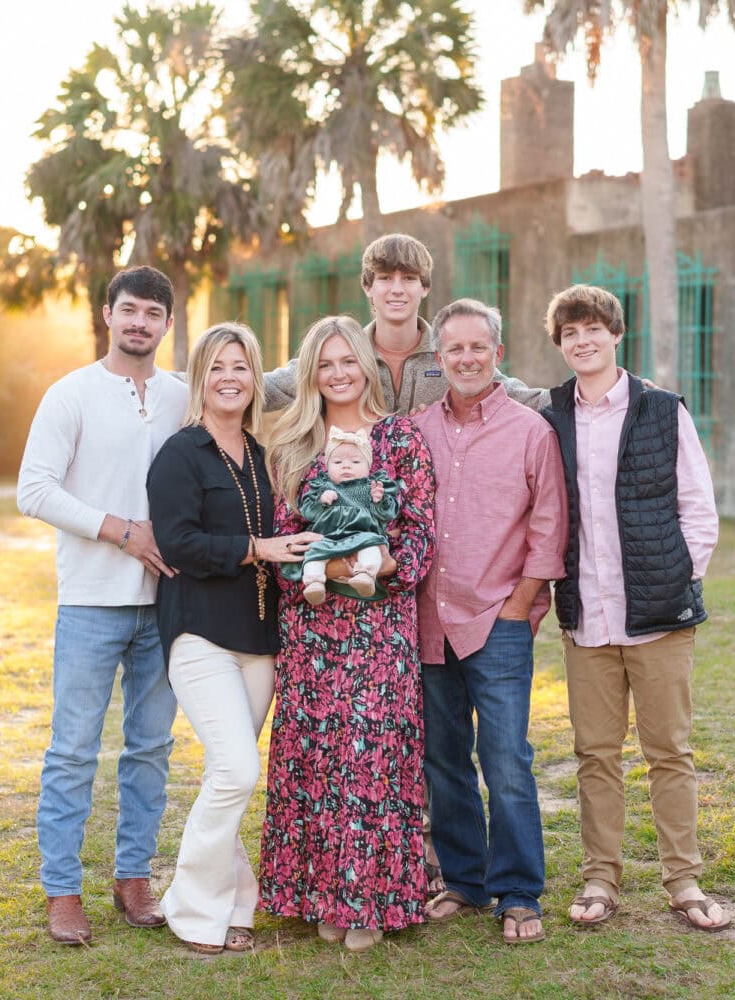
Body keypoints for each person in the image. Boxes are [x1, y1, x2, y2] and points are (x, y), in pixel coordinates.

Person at [538, 284, 727, 932]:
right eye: (570, 333)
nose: (582, 341)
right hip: (586, 618)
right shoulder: (550, 414)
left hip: (658, 617)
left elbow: (698, 510)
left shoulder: (662, 409)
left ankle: (684, 880)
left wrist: (677, 582)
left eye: (593, 328)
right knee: (595, 754)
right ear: (560, 344)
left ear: (615, 333)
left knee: (669, 752)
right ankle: (600, 879)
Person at [17, 266, 187, 944]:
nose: (140, 322)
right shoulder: (71, 395)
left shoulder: (182, 395)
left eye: (153, 313)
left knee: (150, 747)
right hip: (90, 600)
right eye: (129, 310)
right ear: (108, 315)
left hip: (167, 603)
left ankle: (133, 876)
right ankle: (63, 891)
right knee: (73, 750)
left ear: (168, 325)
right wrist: (121, 530)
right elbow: (34, 490)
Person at [258, 316, 437, 953]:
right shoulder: (292, 447)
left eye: (348, 361)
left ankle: (369, 900)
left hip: (381, 627)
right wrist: (329, 568)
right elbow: (284, 540)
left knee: (371, 760)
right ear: (311, 373)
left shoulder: (401, 439)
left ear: (365, 364)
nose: (338, 374)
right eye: (325, 364)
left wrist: (380, 564)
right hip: (311, 630)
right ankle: (316, 896)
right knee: (318, 761)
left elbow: (418, 532)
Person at [145, 323, 320, 956]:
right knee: (238, 770)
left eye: (241, 367)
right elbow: (177, 543)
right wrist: (258, 549)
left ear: (255, 381)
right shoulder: (180, 452)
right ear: (200, 377)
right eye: (217, 367)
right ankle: (191, 911)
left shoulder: (260, 454)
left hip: (260, 641)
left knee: (229, 774)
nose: (229, 378)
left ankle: (237, 897)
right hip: (200, 636)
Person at [412, 299, 568, 946]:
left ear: (497, 355)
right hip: (427, 620)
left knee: (505, 760)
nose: (468, 359)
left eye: (479, 348)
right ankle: (465, 880)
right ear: (439, 359)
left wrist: (517, 603)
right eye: (455, 350)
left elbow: (549, 527)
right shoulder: (416, 429)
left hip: (498, 618)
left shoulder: (531, 432)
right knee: (442, 760)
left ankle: (519, 891)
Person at [263, 233, 547, 413]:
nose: (397, 289)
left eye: (409, 279)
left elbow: (519, 396)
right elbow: (268, 389)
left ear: (424, 288)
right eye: (385, 278)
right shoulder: (343, 352)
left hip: (430, 502)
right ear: (367, 287)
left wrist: (583, 394)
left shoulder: (448, 352)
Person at [280, 427, 399, 605]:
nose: (346, 465)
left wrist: (378, 500)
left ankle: (366, 575)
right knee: (314, 553)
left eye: (356, 461)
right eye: (337, 462)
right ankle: (314, 583)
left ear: (368, 466)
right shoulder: (323, 487)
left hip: (362, 535)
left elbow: (388, 514)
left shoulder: (371, 486)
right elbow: (308, 513)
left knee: (373, 547)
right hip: (328, 537)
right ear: (327, 467)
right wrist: (322, 500)